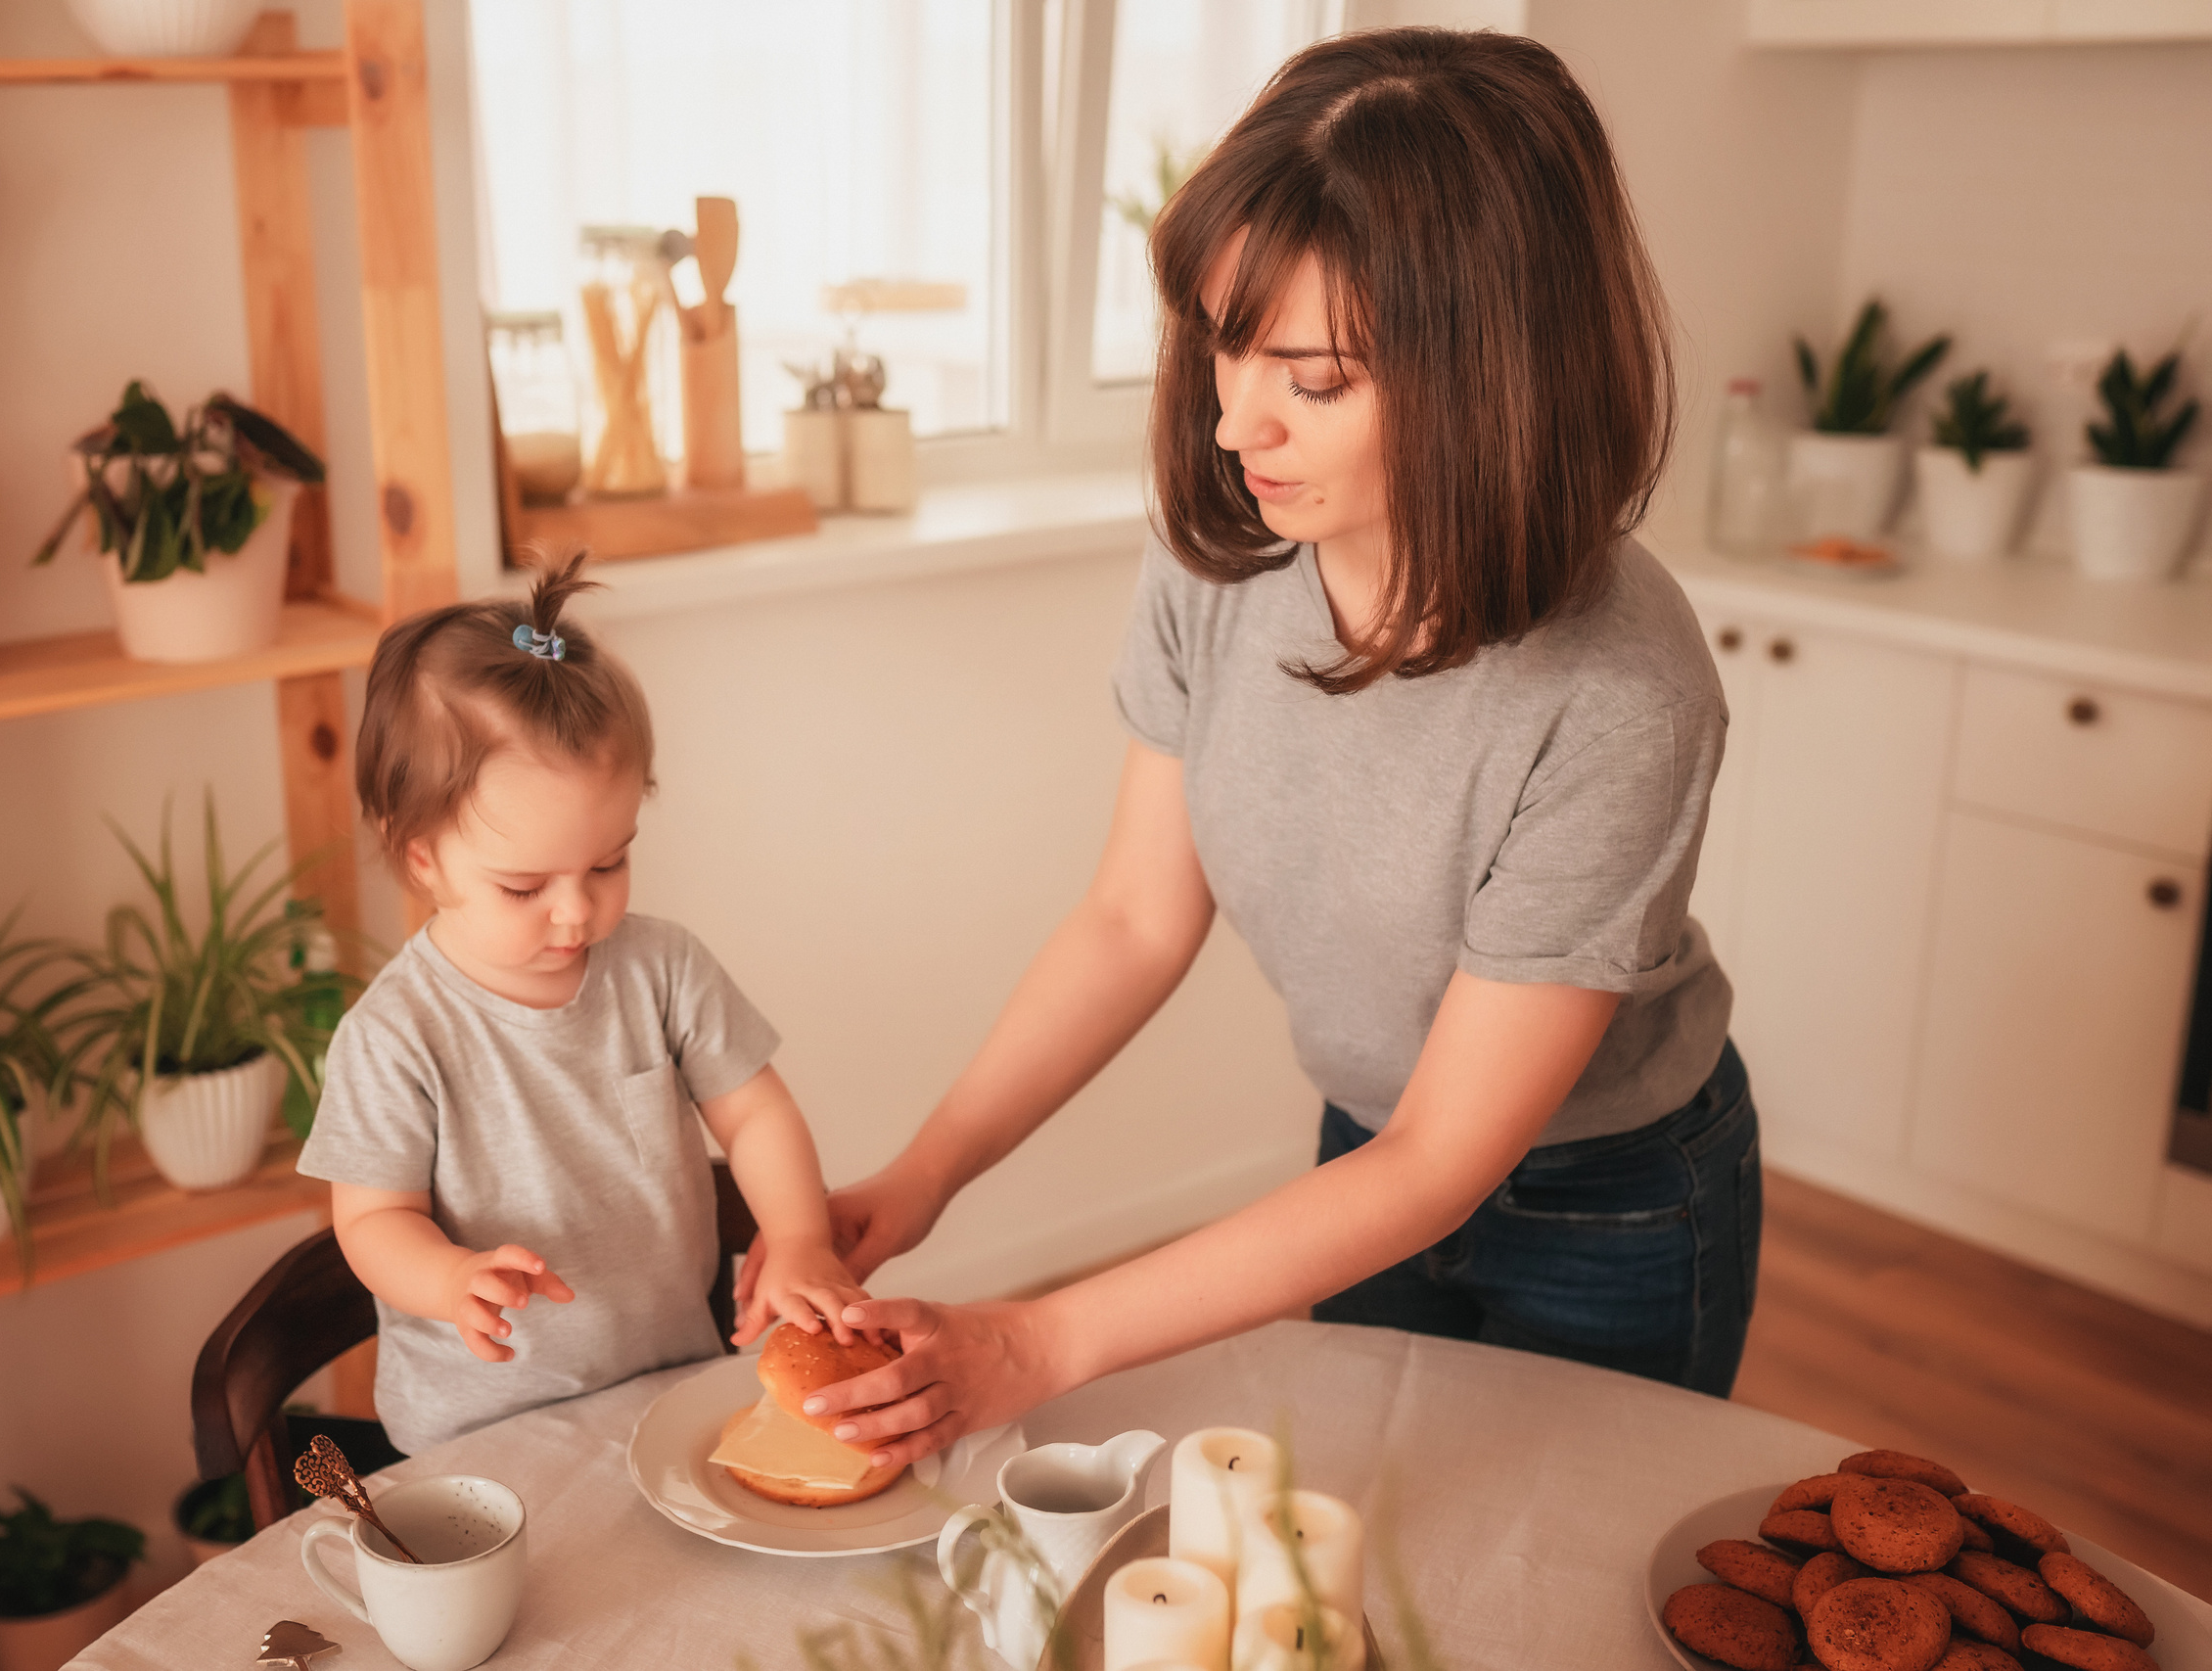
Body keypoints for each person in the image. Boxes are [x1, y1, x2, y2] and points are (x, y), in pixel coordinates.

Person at [759, 27, 1755, 1471]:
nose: (1237, 423)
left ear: (1498, 373)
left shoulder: (1620, 692)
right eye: (1226, 344)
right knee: (1351, 1522)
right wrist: (925, 1171)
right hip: (1367, 1143)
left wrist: (1038, 1339)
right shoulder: (1224, 557)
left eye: (1317, 377)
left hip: (1612, 1199)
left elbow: (1445, 1162)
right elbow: (1132, 916)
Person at [299, 556, 864, 1456]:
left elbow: (754, 1111)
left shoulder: (661, 966)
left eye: (609, 863)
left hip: (669, 1387)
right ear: (420, 859)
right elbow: (370, 1220)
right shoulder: (394, 1036)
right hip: (483, 1430)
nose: (578, 911)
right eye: (524, 886)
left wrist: (798, 1236)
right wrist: (449, 1279)